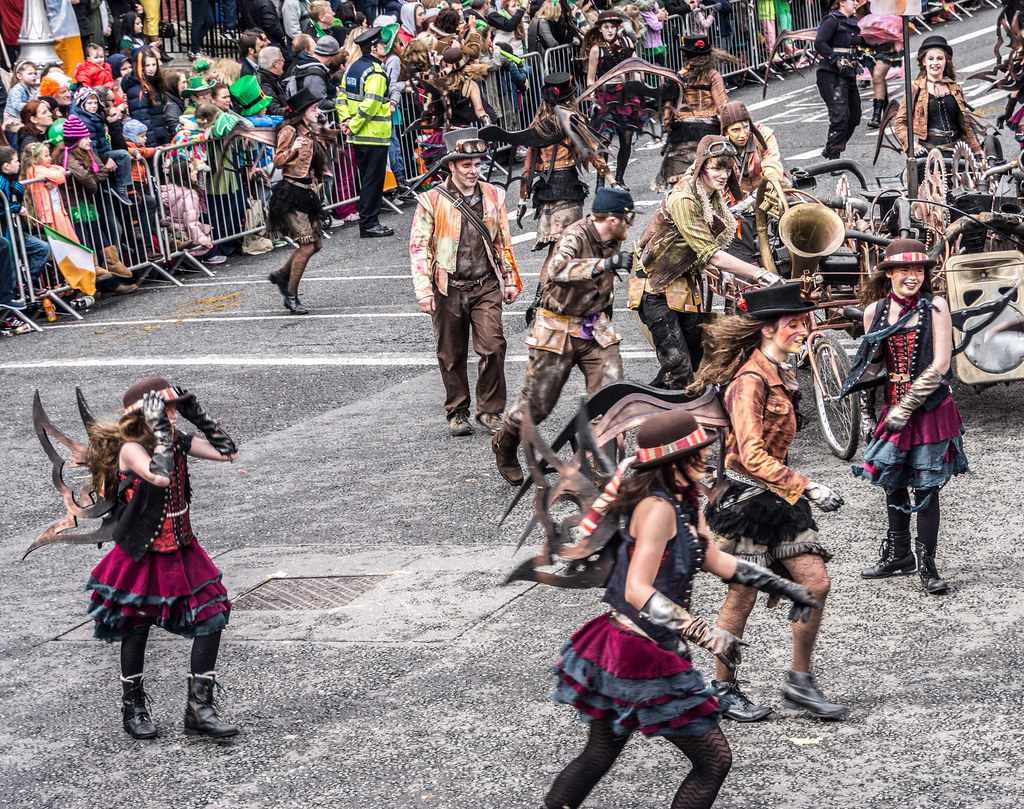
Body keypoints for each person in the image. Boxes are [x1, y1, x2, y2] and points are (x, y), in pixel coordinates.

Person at [541, 407, 821, 809]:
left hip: (625, 645)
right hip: (639, 650)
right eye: (700, 454)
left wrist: (787, 587)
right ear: (677, 462)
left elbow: (718, 561)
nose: (708, 459)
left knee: (599, 755)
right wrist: (707, 635)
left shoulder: (684, 500)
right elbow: (638, 589)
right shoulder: (656, 509)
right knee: (714, 761)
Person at [694, 283, 847, 722]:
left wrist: (795, 486)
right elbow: (750, 455)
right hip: (746, 501)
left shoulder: (783, 372)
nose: (804, 330)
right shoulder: (749, 382)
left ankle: (799, 682)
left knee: (814, 584)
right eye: (795, 324)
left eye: (805, 322)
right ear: (766, 330)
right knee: (743, 593)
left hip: (780, 495)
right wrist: (810, 486)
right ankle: (723, 688)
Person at [81, 378, 238, 739]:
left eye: (174, 408)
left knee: (212, 617)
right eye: (165, 409)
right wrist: (164, 433)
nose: (171, 414)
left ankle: (200, 710)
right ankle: (133, 709)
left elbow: (228, 452)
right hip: (142, 551)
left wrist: (198, 414)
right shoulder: (131, 449)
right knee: (136, 628)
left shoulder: (176, 438)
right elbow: (161, 476)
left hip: (182, 547)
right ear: (143, 415)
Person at [841, 240, 968, 595]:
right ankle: (900, 554)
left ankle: (927, 565)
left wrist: (907, 406)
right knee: (892, 478)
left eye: (919, 270)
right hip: (892, 405)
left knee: (926, 486)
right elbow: (871, 368)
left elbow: (941, 364)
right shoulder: (874, 312)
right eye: (904, 270)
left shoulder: (936, 307)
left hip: (928, 407)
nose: (912, 276)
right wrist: (869, 416)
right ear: (890, 273)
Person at [492, 188, 635, 485]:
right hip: (557, 327)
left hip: (595, 327)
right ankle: (505, 444)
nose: (629, 224)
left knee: (609, 398)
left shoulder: (613, 238)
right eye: (627, 218)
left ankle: (602, 470)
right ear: (612, 218)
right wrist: (603, 265)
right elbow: (557, 269)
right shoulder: (575, 235)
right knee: (537, 406)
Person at [631, 135, 778, 390]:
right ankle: (678, 423)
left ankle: (648, 400)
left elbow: (705, 245)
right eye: (716, 167)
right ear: (702, 167)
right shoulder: (685, 199)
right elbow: (712, 254)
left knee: (692, 354)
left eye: (728, 168)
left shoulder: (711, 196)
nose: (724, 175)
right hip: (654, 286)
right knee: (678, 364)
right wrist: (760, 274)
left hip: (682, 284)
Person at [409, 129, 521, 437]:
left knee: (494, 346)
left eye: (477, 164)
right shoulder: (431, 201)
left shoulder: (494, 195)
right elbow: (419, 249)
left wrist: (510, 279)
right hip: (447, 288)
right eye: (466, 165)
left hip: (485, 283)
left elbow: (502, 242)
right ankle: (457, 411)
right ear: (452, 166)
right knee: (451, 353)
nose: (473, 171)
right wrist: (423, 291)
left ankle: (490, 409)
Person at [515, 74, 614, 294]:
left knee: (559, 247)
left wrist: (522, 201)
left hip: (546, 191)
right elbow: (592, 155)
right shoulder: (573, 122)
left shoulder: (538, 126)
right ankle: (544, 297)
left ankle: (550, 293)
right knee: (565, 246)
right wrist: (613, 182)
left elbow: (527, 169)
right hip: (568, 188)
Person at [266, 89, 334, 314]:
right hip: (291, 192)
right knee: (306, 246)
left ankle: (282, 275)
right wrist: (291, 151)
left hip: (308, 191)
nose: (317, 111)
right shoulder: (289, 130)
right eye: (313, 108)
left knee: (316, 245)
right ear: (302, 111)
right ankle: (291, 295)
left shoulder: (311, 130)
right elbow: (277, 161)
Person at [653, 36, 735, 192]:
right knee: (710, 174)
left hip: (683, 132)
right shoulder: (713, 76)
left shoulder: (678, 76)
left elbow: (668, 105)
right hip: (709, 131)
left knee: (678, 181)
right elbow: (723, 106)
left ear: (687, 56)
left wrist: (667, 125)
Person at [338, 26, 394, 238]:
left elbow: (341, 98)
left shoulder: (353, 69)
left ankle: (368, 221)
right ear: (373, 47)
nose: (384, 47)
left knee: (366, 179)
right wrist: (353, 124)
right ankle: (370, 223)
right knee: (373, 180)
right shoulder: (376, 72)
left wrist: (346, 120)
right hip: (374, 135)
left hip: (358, 135)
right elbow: (371, 104)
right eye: (381, 44)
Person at [719, 100, 787, 266]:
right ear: (725, 131)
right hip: (736, 200)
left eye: (745, 127)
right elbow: (704, 173)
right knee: (737, 240)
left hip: (772, 192)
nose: (742, 134)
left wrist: (754, 199)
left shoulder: (764, 135)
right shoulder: (718, 145)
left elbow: (773, 171)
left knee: (794, 225)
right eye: (735, 130)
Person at [893, 35, 982, 157]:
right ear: (924, 62)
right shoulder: (915, 88)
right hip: (929, 153)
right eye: (930, 59)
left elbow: (965, 125)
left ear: (946, 60)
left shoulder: (955, 88)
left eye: (940, 58)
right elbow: (900, 123)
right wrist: (913, 146)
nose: (935, 63)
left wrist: (977, 150)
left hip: (956, 151)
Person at [582, 11, 642, 189]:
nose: (609, 30)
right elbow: (590, 78)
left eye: (613, 27)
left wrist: (635, 88)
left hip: (626, 96)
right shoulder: (596, 49)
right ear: (600, 29)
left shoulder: (627, 43)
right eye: (606, 27)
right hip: (605, 97)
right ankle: (601, 181)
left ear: (617, 28)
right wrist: (593, 98)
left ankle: (620, 179)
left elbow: (633, 68)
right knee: (604, 139)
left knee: (626, 137)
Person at [815, 0, 863, 160]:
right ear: (841, 2)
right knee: (840, 116)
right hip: (831, 75)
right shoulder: (832, 19)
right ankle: (834, 156)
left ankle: (831, 149)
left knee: (855, 116)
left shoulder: (853, 21)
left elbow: (853, 47)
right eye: (853, 0)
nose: (856, 3)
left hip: (848, 74)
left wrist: (863, 56)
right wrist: (835, 59)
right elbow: (819, 43)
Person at [257, 46, 289, 115]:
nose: (283, 63)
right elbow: (274, 111)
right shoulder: (265, 83)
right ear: (275, 64)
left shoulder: (269, 78)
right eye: (282, 60)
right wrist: (293, 110)